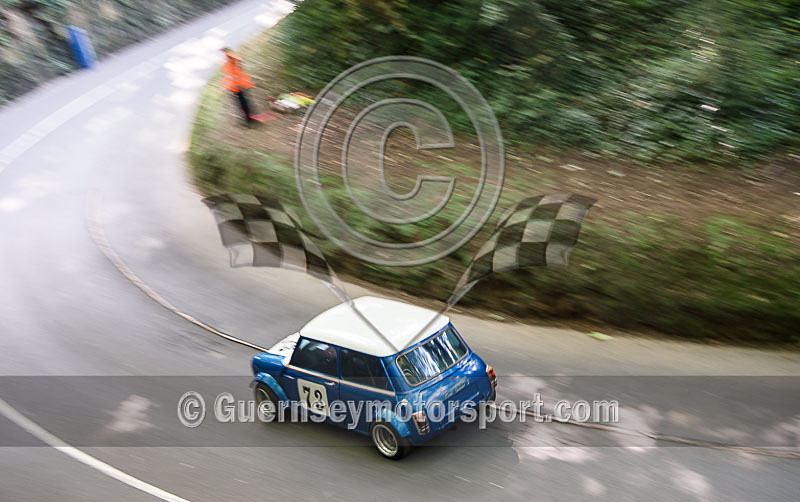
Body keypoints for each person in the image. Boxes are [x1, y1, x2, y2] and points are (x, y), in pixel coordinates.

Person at [221, 48, 255, 124]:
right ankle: (249, 118)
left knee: (244, 102)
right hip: (236, 86)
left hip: (239, 86)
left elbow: (235, 72)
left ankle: (249, 119)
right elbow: (230, 74)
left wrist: (226, 53)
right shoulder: (230, 63)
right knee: (244, 102)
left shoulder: (232, 61)